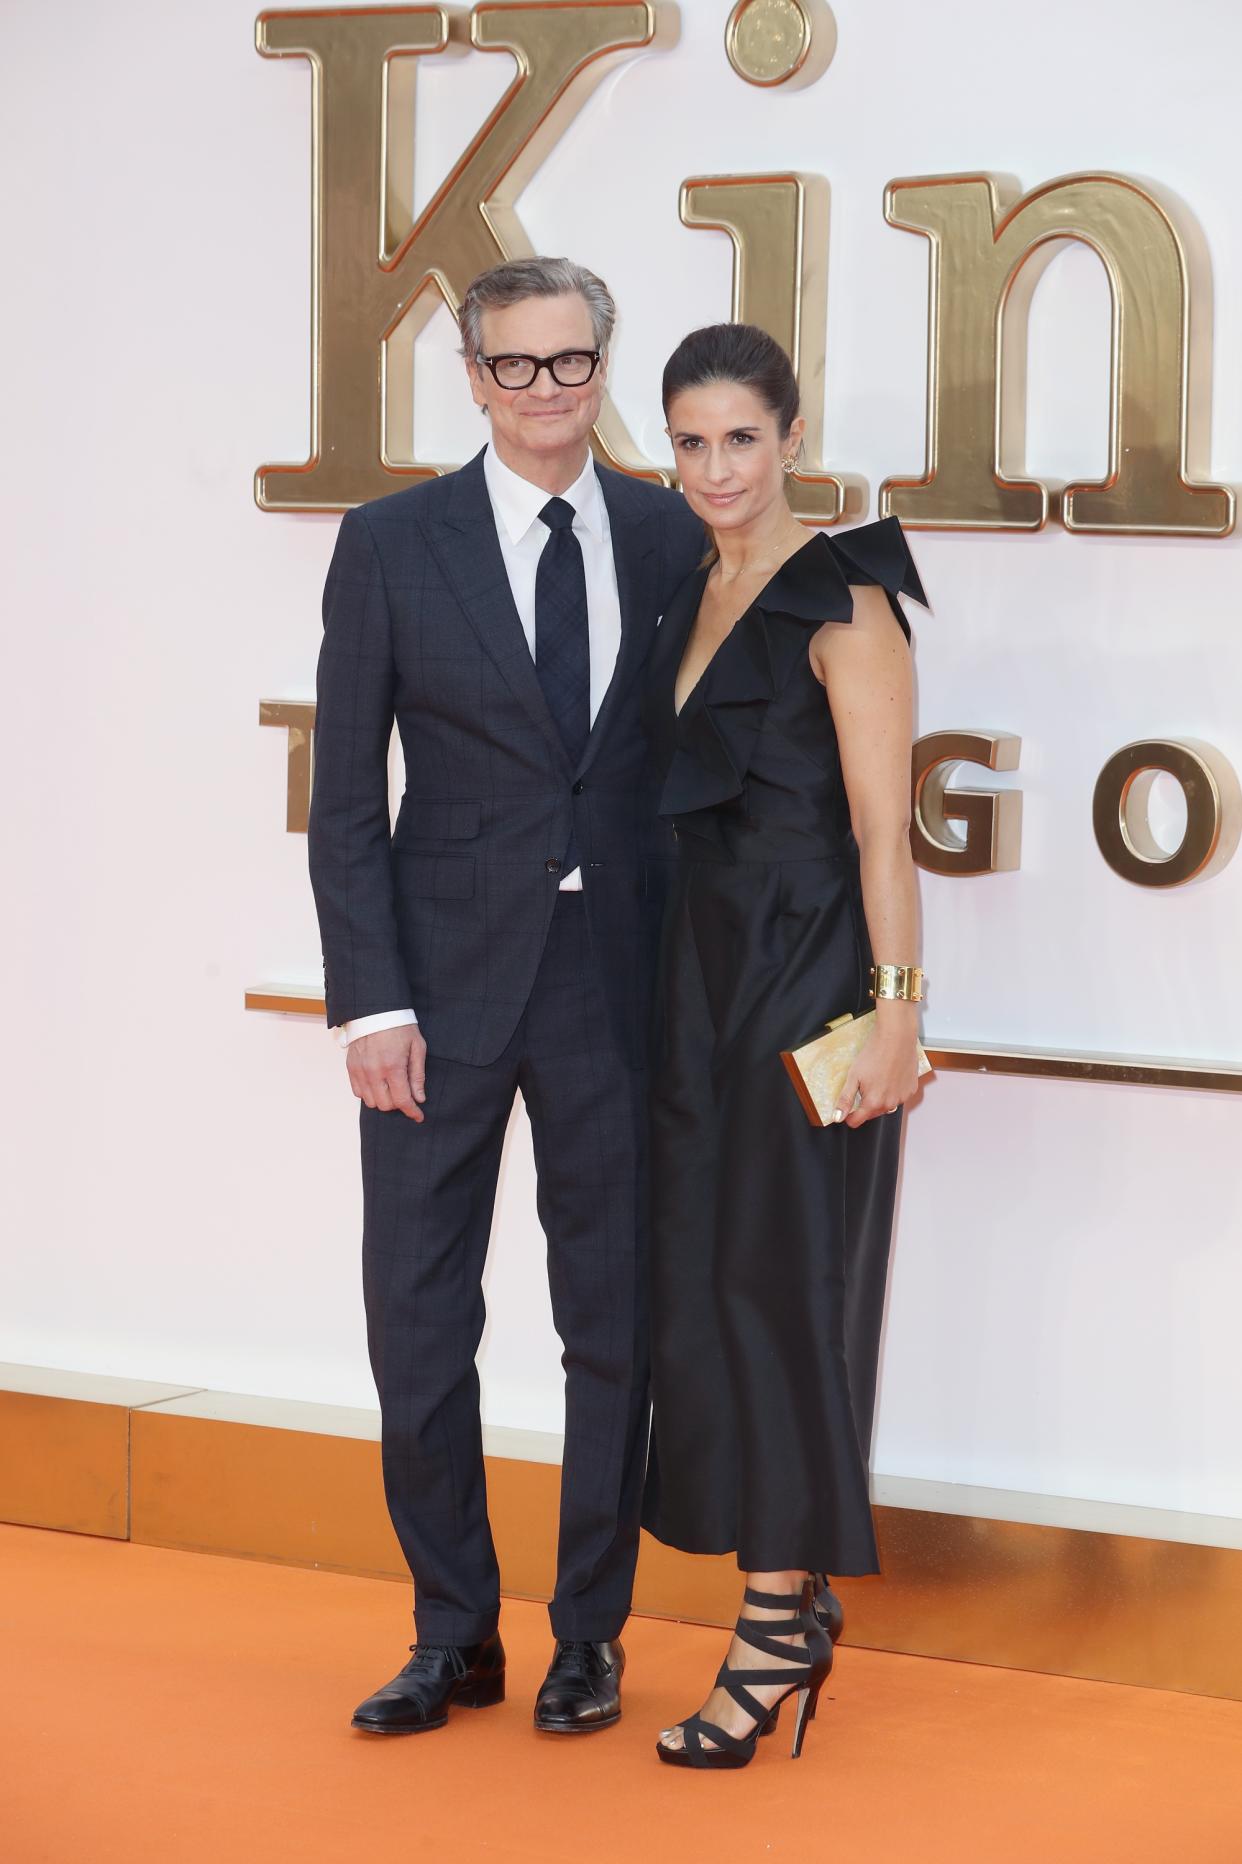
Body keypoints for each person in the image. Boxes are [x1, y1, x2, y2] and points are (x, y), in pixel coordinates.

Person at [307, 256, 704, 1737]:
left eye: (572, 361)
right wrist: (369, 1005)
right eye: (516, 366)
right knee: (416, 1323)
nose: (546, 391)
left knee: (612, 1327)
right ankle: (451, 1630)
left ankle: (587, 1635)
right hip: (435, 1000)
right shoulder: (393, 543)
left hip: (616, 994)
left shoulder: (671, 538)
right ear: (470, 378)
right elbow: (346, 795)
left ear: (604, 364)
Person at [640, 323, 929, 1770]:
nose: (712, 470)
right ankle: (783, 1596)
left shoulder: (846, 597)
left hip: (806, 988)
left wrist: (895, 1007)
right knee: (705, 1286)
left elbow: (886, 829)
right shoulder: (687, 584)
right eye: (687, 442)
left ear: (790, 439)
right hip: (691, 996)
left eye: (738, 440)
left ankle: (769, 1631)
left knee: (776, 1293)